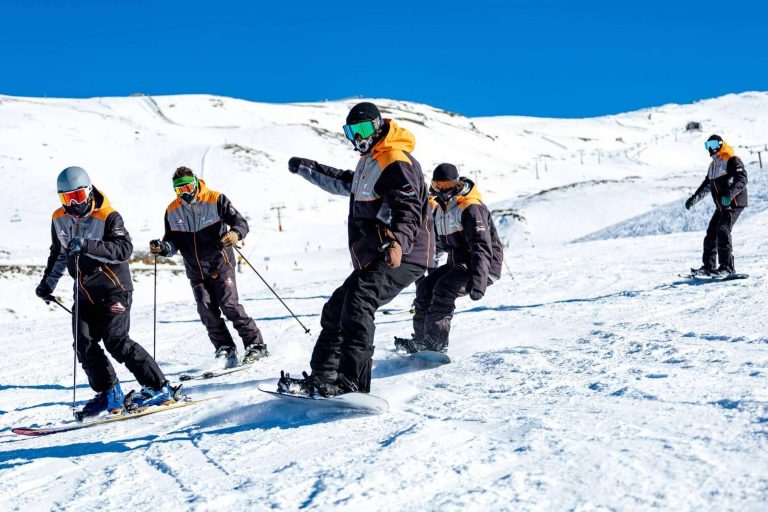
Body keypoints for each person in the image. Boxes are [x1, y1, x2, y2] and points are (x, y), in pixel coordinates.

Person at [280, 102, 435, 397]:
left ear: (378, 127)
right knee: (336, 309)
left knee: (358, 305)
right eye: (351, 132)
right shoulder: (369, 162)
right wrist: (307, 168)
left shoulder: (394, 159)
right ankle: (324, 376)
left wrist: (398, 241)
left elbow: (408, 208)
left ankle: (351, 382)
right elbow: (342, 182)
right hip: (377, 254)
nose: (358, 137)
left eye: (363, 130)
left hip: (404, 252)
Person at [35, 166, 177, 419]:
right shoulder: (59, 218)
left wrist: (88, 245)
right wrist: (48, 284)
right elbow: (58, 253)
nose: (73, 203)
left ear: (88, 191)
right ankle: (109, 393)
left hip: (114, 289)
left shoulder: (109, 216)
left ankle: (159, 387)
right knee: (83, 343)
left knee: (116, 340)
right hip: (84, 292)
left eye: (77, 196)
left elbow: (124, 249)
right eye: (66, 198)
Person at [150, 167, 268, 368]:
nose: (185, 192)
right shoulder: (172, 211)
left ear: (196, 183)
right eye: (179, 190)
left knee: (229, 304)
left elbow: (240, 222)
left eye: (188, 186)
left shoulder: (215, 199)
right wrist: (162, 248)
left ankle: (256, 345)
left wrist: (235, 234)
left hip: (221, 263)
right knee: (206, 310)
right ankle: (225, 349)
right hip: (196, 270)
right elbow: (172, 243)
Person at [396, 163, 504, 354]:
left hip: (482, 266)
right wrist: (427, 269)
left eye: (447, 185)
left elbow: (481, 247)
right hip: (457, 264)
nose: (443, 190)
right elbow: (436, 246)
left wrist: (479, 283)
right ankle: (422, 340)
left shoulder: (470, 207)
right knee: (426, 287)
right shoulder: (440, 209)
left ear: (457, 184)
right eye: (438, 186)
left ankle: (436, 343)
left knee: (444, 288)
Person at [685, 134, 748, 276]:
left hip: (734, 202)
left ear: (720, 144)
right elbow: (707, 185)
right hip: (721, 205)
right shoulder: (713, 166)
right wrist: (694, 199)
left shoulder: (731, 159)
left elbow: (742, 178)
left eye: (713, 145)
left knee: (723, 229)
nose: (710, 149)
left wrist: (729, 195)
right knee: (711, 234)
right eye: (707, 145)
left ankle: (727, 267)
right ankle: (708, 267)